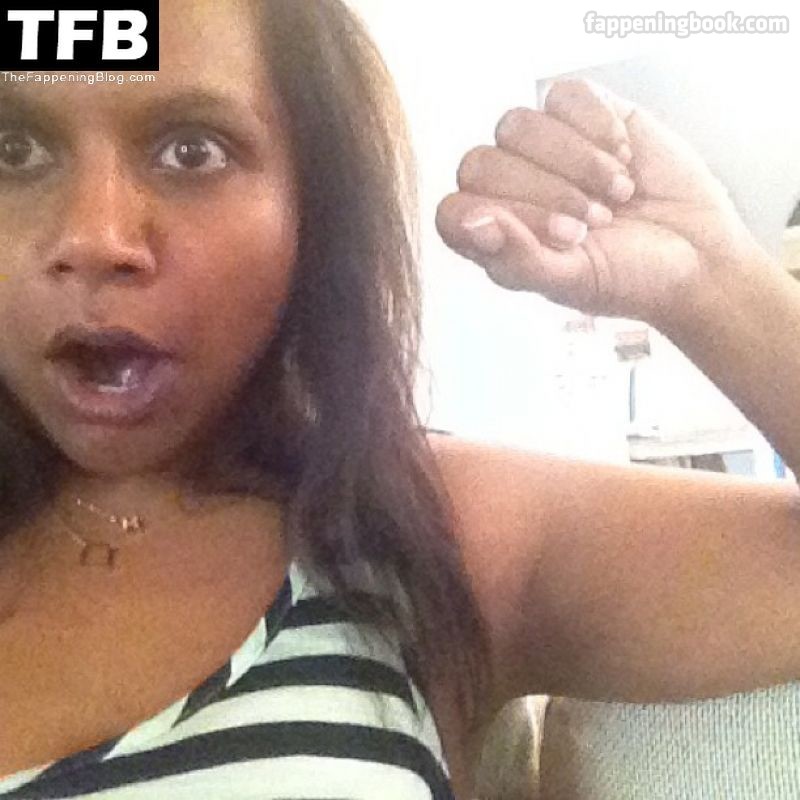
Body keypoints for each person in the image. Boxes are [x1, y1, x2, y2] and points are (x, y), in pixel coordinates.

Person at [0, 1, 798, 799]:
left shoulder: (426, 526)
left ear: (316, 205)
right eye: (13, 148)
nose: (93, 238)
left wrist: (710, 281)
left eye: (191, 150)